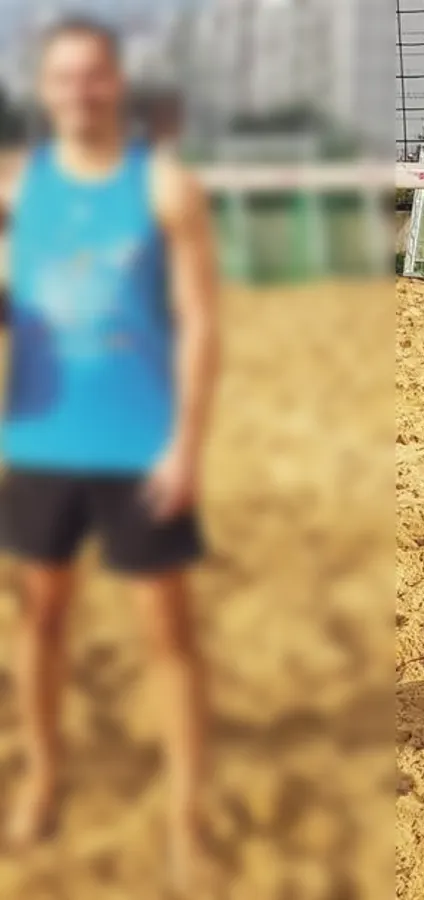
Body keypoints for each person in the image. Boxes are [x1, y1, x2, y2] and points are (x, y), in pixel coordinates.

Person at [0, 15, 221, 894]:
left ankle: (186, 819)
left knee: (165, 634)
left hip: (139, 445)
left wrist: (187, 444)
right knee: (41, 622)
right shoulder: (15, 188)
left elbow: (200, 320)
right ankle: (45, 781)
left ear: (115, 86)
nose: (80, 92)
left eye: (95, 77)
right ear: (46, 89)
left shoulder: (164, 187)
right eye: (64, 78)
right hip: (42, 443)